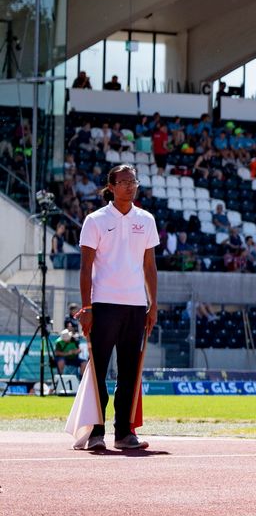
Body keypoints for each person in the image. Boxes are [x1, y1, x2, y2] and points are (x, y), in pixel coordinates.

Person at [76, 164, 159, 452]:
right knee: (99, 370)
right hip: (103, 304)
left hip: (136, 305)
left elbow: (150, 265)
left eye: (133, 181)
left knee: (129, 371)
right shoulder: (95, 220)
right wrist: (86, 307)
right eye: (123, 182)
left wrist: (153, 304)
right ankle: (96, 432)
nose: (129, 186)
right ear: (110, 186)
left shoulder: (146, 219)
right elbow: (85, 267)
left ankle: (124, 432)